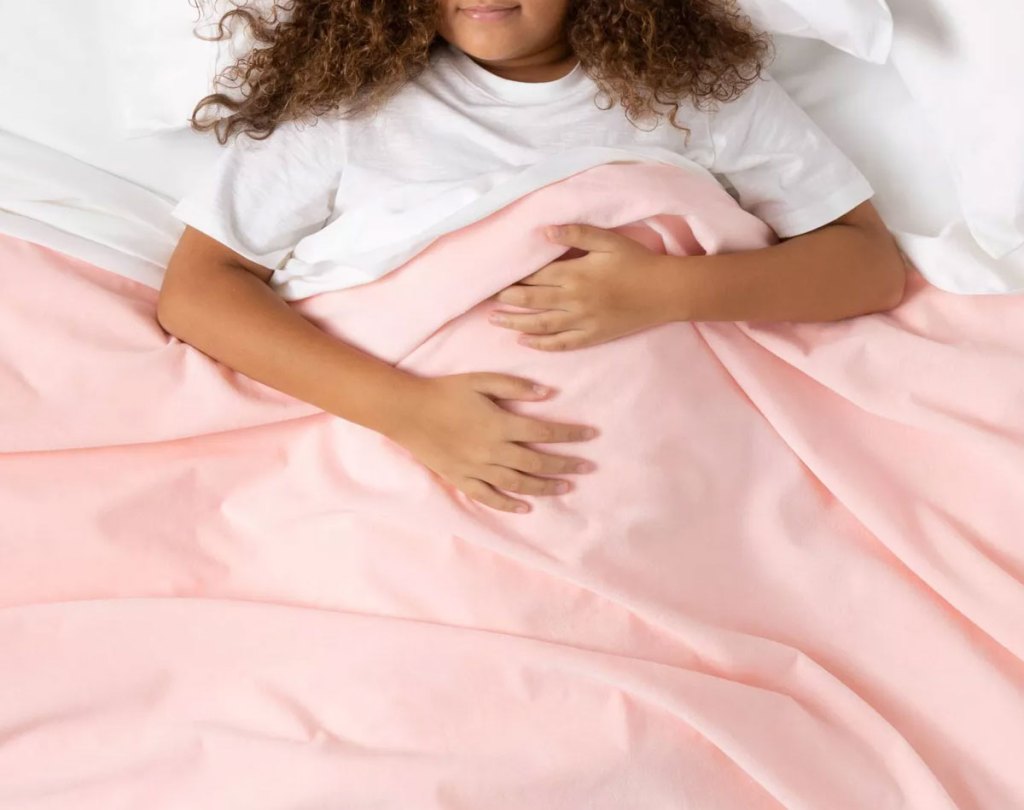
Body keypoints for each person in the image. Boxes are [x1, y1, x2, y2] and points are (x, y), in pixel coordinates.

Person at [157, 0, 906, 515]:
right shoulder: (350, 105)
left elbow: (867, 264)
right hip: (413, 468)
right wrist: (409, 413)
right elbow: (198, 292)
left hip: (678, 483)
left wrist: (672, 289)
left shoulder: (697, 89)